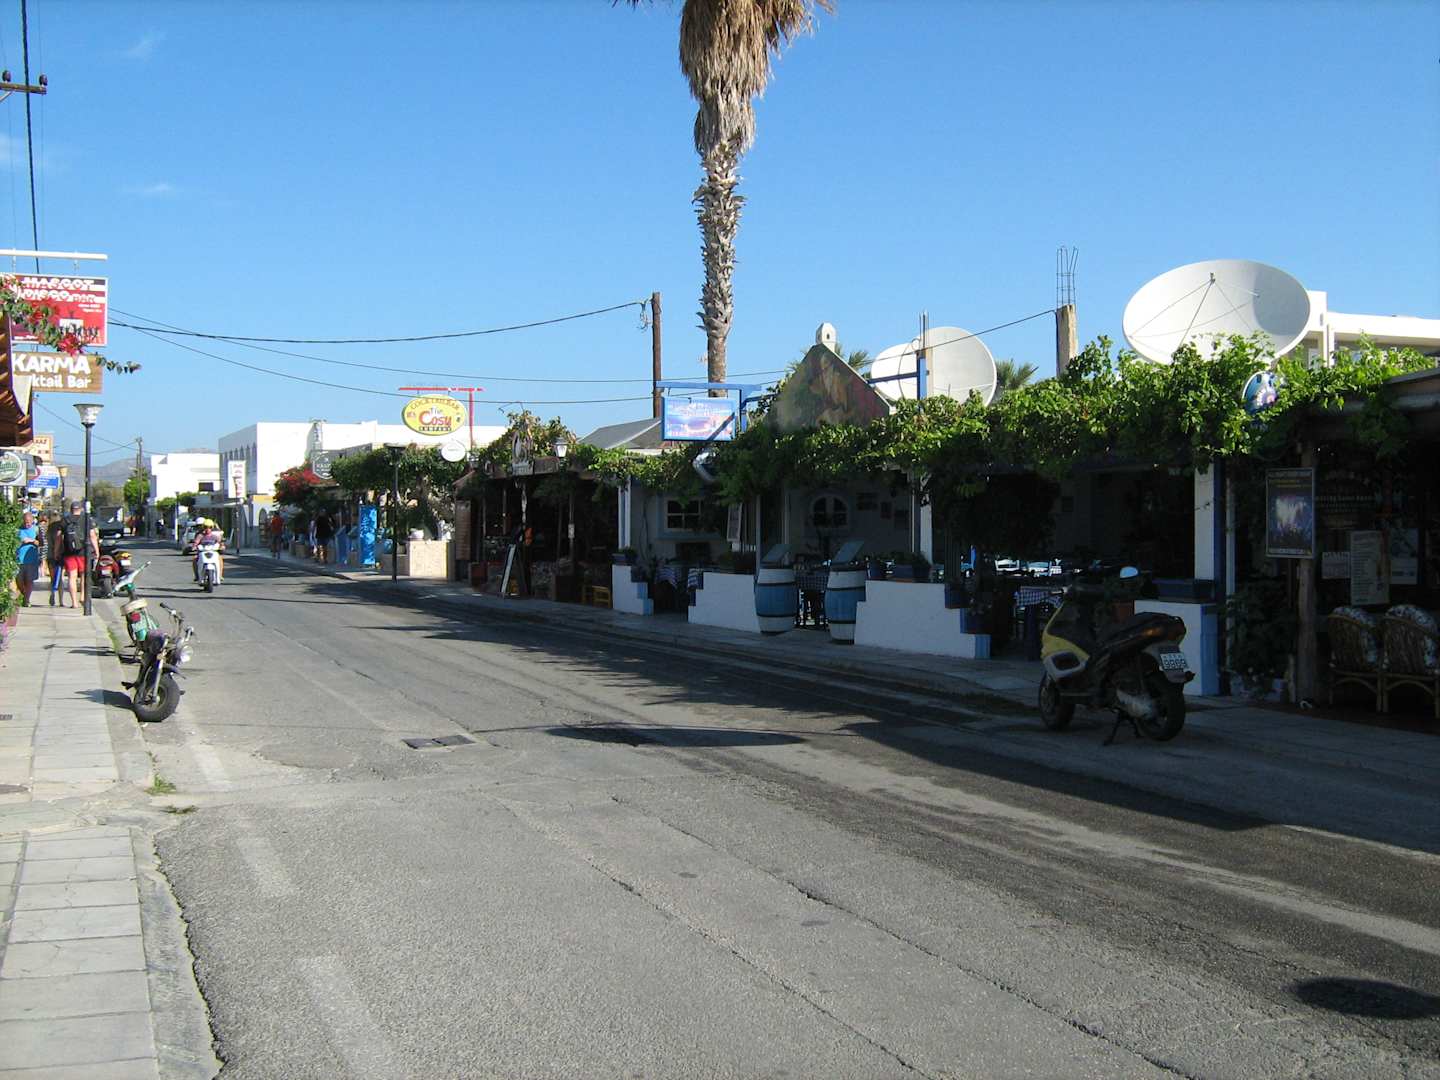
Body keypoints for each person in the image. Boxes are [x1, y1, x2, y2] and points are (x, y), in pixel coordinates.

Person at [59, 501, 97, 611]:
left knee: (72, 577)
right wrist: (96, 550)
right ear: (80, 509)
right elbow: (92, 536)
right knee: (84, 575)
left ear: (71, 510)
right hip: (83, 552)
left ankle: (74, 602)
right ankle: (83, 597)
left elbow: (58, 537)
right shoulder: (86, 519)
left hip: (69, 553)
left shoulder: (65, 520)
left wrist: (57, 551)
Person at [14, 509, 41, 608]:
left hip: (32, 560)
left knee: (29, 580)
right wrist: (26, 541)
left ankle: (26, 600)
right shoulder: (18, 530)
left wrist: (33, 541)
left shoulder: (36, 530)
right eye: (25, 522)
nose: (27, 524)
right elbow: (18, 541)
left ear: (32, 521)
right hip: (19, 560)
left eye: (29, 522)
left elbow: (41, 543)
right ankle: (25, 594)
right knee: (19, 581)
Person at [193, 518, 225, 583]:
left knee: (220, 558)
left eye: (210, 527)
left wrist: (222, 546)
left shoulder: (215, 536)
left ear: (212, 528)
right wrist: (194, 546)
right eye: (205, 527)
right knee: (195, 559)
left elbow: (220, 542)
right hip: (202, 552)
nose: (207, 529)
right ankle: (197, 575)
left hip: (213, 552)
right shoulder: (200, 535)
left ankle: (220, 575)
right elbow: (196, 542)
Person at [44, 511, 66, 606]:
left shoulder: (49, 529)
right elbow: (60, 541)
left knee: (52, 578)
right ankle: (61, 600)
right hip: (60, 555)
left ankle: (52, 593)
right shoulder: (60, 529)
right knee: (60, 578)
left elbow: (45, 542)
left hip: (50, 555)